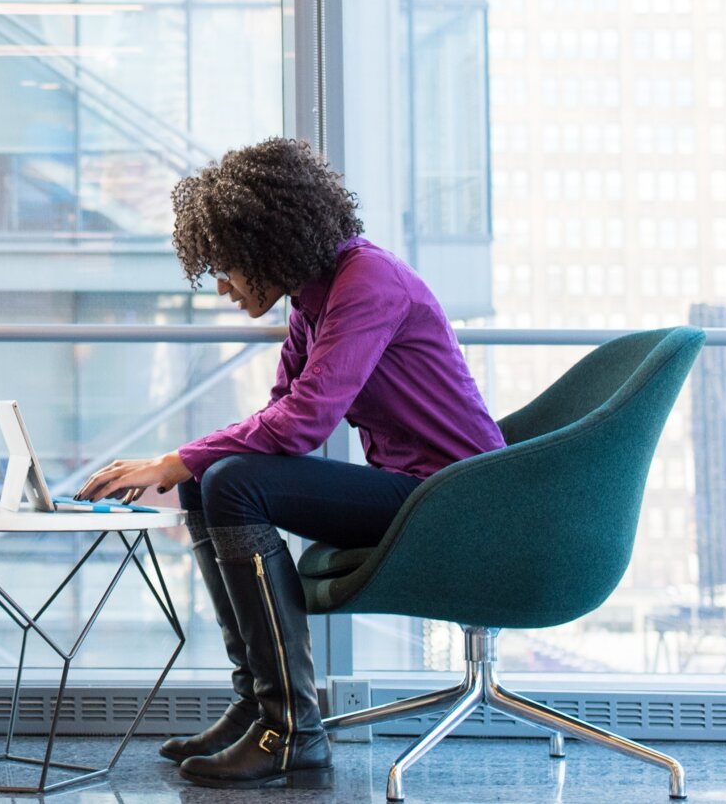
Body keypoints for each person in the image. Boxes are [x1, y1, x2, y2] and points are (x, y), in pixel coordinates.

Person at [76, 138, 506, 790]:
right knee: (210, 479)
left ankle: (292, 731)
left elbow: (305, 421)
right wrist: (180, 466)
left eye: (226, 267)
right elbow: (281, 409)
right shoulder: (316, 298)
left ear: (266, 246)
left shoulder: (368, 282)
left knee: (229, 477)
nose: (221, 286)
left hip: (458, 499)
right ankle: (259, 706)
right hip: (417, 492)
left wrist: (171, 458)